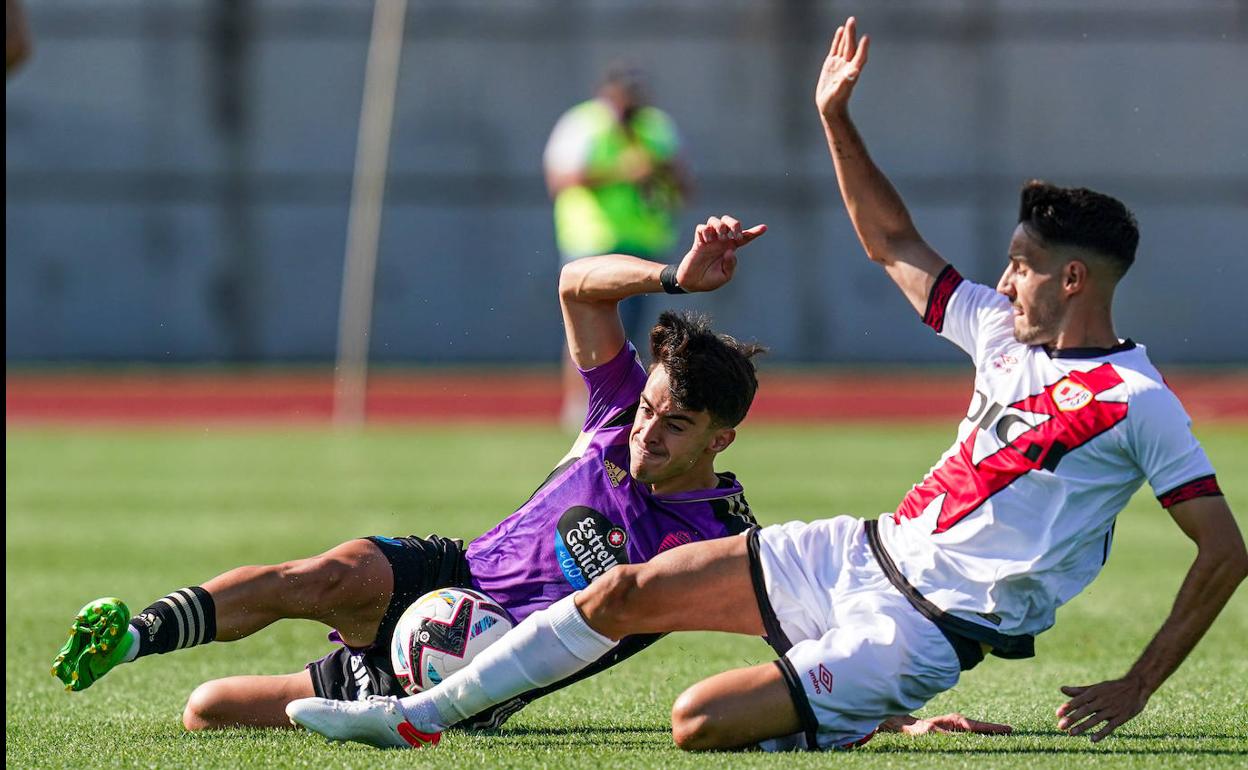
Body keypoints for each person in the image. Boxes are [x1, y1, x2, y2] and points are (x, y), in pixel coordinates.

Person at [287, 17, 1246, 752]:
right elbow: (894, 244)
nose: (1003, 281)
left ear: (1074, 279)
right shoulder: (1001, 332)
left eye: (1023, 266)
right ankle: (416, 717)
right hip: (856, 550)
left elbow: (1222, 552)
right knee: (623, 591)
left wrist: (1141, 685)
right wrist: (836, 119)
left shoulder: (1139, 404)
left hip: (920, 631)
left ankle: (864, 721)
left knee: (699, 724)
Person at [51, 215, 769, 733]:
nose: (646, 433)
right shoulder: (617, 411)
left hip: (483, 668)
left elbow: (789, 618)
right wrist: (673, 277)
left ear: (721, 438)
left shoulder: (720, 536)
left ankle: (382, 701)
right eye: (648, 410)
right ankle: (135, 635)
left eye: (675, 426)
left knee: (209, 709)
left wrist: (868, 704)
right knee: (329, 573)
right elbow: (578, 288)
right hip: (447, 572)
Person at [544, 65, 692, 429]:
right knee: (587, 326)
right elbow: (561, 179)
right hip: (592, 241)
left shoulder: (655, 127)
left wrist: (658, 170)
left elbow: (682, 183)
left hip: (643, 243)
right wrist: (622, 173)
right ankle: (581, 405)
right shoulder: (583, 125)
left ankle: (628, 405)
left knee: (637, 331)